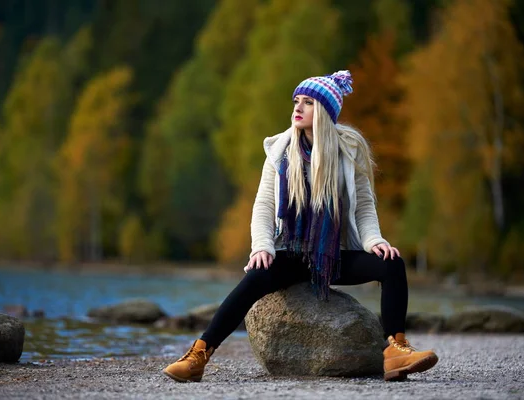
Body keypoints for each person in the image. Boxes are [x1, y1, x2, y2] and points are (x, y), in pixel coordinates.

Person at [162, 70, 438, 383]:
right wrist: (262, 247)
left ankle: (395, 351)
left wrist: (375, 240)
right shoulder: (280, 151)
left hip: (334, 255)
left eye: (307, 102)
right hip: (290, 254)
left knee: (392, 264)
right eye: (297, 100)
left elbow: (363, 206)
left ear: (323, 111)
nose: (298, 107)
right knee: (254, 278)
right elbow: (263, 207)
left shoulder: (348, 151)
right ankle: (199, 355)